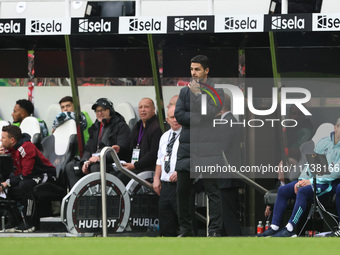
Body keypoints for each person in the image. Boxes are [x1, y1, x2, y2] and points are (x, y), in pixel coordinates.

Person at [258, 118, 340, 237]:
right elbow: (311, 165)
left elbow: (335, 173)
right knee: (283, 190)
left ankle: (290, 229)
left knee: (303, 191)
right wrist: (301, 180)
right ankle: (274, 227)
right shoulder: (323, 142)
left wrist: (310, 181)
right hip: (313, 181)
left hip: (328, 185)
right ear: (335, 127)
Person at [175, 55, 224, 237]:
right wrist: (200, 119)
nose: (193, 73)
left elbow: (209, 111)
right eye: (191, 69)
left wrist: (197, 94)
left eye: (197, 69)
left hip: (209, 148)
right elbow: (179, 115)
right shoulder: (183, 92)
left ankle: (214, 231)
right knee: (182, 191)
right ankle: (186, 230)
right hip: (187, 148)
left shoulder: (217, 91)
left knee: (212, 191)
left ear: (206, 71)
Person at [0, 125, 56, 232]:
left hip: (46, 175)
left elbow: (26, 174)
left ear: (12, 140)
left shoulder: (27, 147)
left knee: (25, 185)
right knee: (10, 189)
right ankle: (15, 222)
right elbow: (14, 172)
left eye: (3, 138)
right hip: (31, 176)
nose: (1, 140)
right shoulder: (11, 149)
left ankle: (30, 223)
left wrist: (8, 182)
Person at [65, 98, 130, 188]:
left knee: (95, 167)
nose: (99, 113)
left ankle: (97, 199)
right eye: (97, 111)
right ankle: (79, 198)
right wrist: (85, 161)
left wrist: (99, 158)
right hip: (94, 161)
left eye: (102, 110)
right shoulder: (95, 127)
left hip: (112, 164)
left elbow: (121, 149)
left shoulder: (121, 126)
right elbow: (88, 148)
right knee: (71, 166)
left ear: (110, 111)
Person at [153, 106, 181, 236]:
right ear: (167, 120)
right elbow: (160, 160)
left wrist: (181, 172)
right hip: (165, 186)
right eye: (172, 117)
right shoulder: (164, 136)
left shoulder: (188, 135)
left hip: (181, 185)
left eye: (177, 116)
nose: (175, 120)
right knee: (165, 225)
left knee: (185, 222)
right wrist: (156, 179)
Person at [120, 98, 162, 185]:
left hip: (147, 168)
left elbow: (153, 154)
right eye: (140, 107)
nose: (143, 110)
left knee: (121, 178)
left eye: (146, 107)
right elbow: (129, 145)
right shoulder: (138, 126)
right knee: (114, 174)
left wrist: (135, 165)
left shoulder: (157, 127)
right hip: (136, 165)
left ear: (153, 110)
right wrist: (119, 149)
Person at [217, 94, 243, 236]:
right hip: (227, 177)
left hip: (226, 177)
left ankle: (236, 243)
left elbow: (222, 148)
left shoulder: (227, 122)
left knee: (229, 215)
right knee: (225, 215)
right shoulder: (228, 121)